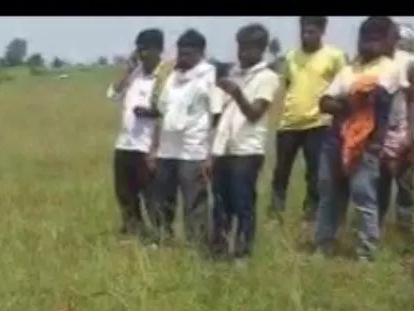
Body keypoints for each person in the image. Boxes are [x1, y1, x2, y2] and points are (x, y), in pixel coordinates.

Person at [314, 16, 408, 261]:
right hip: (336, 139)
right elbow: (324, 103)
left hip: (366, 142)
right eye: (389, 39)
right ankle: (324, 244)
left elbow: (375, 99)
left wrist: (346, 102)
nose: (392, 44)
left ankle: (367, 250)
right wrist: (350, 103)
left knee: (364, 196)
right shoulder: (348, 69)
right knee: (329, 194)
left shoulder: (390, 67)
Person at [209, 24, 282, 261]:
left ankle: (243, 253)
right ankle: (219, 250)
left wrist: (237, 93)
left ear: (261, 49)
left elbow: (254, 114)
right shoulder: (234, 74)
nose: (242, 53)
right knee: (220, 203)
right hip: (225, 148)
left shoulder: (267, 77)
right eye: (240, 47)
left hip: (247, 150)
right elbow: (219, 116)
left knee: (243, 203)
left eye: (248, 48)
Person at [269, 17, 347, 226]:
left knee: (314, 173)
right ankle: (276, 213)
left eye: (311, 32)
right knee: (281, 171)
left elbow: (342, 87)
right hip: (289, 123)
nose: (306, 36)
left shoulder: (335, 56)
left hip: (319, 123)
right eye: (303, 31)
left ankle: (310, 214)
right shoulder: (291, 57)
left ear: (322, 31)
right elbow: (286, 84)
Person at [147, 29, 217, 249]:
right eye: (180, 53)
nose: (182, 58)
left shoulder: (209, 77)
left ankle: (197, 246)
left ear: (200, 53)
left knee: (194, 202)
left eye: (187, 54)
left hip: (194, 151)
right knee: (162, 199)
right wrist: (153, 149)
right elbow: (161, 114)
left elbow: (217, 117)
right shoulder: (172, 78)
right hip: (167, 151)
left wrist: (210, 154)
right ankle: (162, 240)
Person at [106, 28, 165, 239]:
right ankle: (133, 232)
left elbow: (168, 112)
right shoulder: (135, 75)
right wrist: (127, 71)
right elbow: (113, 94)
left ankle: (158, 236)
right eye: (138, 49)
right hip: (125, 143)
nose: (140, 54)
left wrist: (150, 113)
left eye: (145, 50)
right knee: (125, 194)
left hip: (147, 145)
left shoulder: (165, 77)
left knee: (152, 196)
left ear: (158, 50)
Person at [377, 22, 414, 230]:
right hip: (389, 129)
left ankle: (398, 226)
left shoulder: (407, 62)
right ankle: (391, 226)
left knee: (400, 181)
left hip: (399, 128)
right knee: (398, 182)